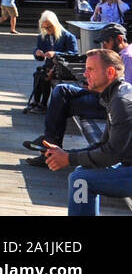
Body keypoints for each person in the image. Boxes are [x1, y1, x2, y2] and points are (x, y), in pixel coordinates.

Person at [40, 49, 132, 216]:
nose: (85, 74)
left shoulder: (121, 101)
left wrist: (68, 158)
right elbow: (104, 144)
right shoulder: (116, 95)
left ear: (110, 72)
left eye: (91, 69)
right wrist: (66, 154)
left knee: (81, 180)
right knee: (81, 173)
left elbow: (112, 154)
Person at [25, 24, 130, 164]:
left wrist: (95, 87)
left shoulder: (127, 57)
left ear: (119, 39)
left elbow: (123, 89)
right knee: (61, 90)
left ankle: (49, 147)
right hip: (103, 94)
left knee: (64, 104)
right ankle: (49, 146)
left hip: (109, 102)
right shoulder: (121, 54)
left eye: (106, 42)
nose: (104, 46)